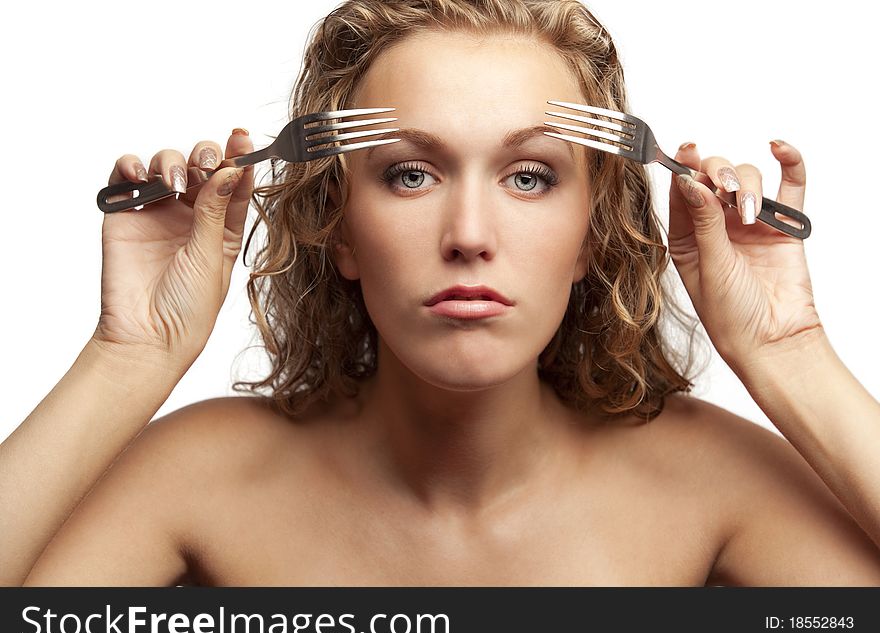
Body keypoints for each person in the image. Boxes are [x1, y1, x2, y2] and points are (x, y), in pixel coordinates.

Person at [3, 0, 880, 586]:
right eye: (411, 173)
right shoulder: (198, 478)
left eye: (530, 176)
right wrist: (129, 356)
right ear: (340, 226)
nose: (469, 232)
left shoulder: (714, 484)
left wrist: (789, 350)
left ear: (593, 234)